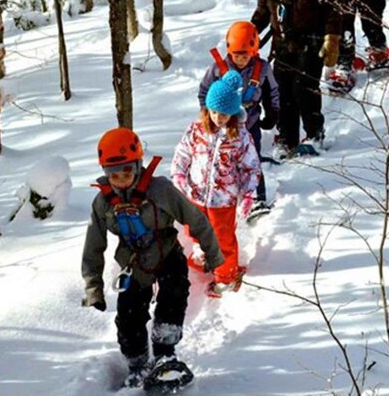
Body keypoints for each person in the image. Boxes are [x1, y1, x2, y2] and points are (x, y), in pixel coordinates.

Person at [82, 127, 224, 389]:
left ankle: (165, 354)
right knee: (128, 315)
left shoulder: (160, 191)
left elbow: (197, 220)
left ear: (137, 165)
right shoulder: (103, 204)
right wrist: (94, 288)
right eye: (113, 174)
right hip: (134, 264)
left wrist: (214, 257)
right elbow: (93, 248)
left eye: (127, 171)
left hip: (167, 252)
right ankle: (138, 364)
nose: (121, 179)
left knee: (174, 294)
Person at [251, 0, 343, 158]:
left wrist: (332, 38)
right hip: (282, 46)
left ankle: (314, 133)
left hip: (310, 43)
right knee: (282, 92)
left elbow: (335, 8)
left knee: (304, 89)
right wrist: (248, 33)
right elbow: (263, 12)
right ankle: (286, 138)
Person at [172, 70, 261, 296]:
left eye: (223, 114)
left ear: (232, 113)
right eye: (213, 112)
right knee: (195, 231)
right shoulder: (196, 130)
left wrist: (248, 194)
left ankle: (226, 276)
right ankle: (205, 255)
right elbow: (182, 154)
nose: (217, 117)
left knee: (223, 238)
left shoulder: (240, 137)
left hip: (223, 200)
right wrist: (180, 176)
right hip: (196, 194)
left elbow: (251, 167)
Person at [199, 21, 279, 216]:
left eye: (245, 55)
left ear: (254, 51)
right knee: (222, 161)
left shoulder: (263, 69)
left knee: (253, 161)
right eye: (237, 55)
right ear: (229, 51)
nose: (241, 60)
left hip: (250, 124)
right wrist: (207, 116)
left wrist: (273, 112)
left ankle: (257, 199)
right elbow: (204, 93)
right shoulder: (218, 69)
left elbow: (272, 92)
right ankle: (221, 196)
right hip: (222, 126)